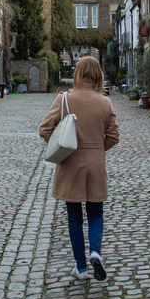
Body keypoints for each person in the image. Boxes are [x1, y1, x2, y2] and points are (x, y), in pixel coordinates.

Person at [39, 57, 119, 281]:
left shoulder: (64, 99)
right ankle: (95, 251)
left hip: (70, 164)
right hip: (95, 164)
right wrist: (96, 149)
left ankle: (81, 267)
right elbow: (113, 137)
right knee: (95, 213)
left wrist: (62, 147)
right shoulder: (105, 102)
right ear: (98, 75)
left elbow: (44, 129)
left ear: (77, 74)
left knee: (74, 217)